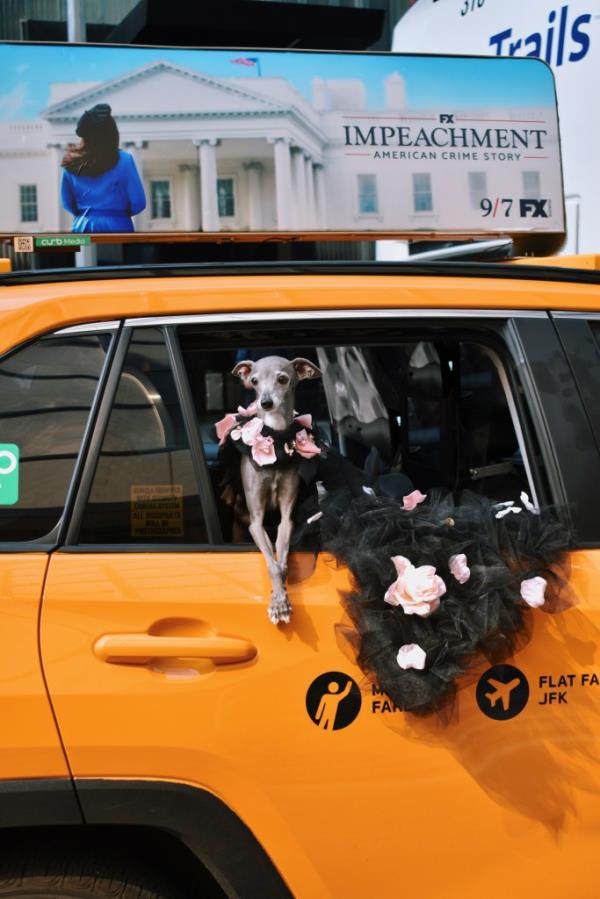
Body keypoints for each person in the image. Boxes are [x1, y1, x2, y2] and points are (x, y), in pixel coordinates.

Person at [60, 103, 146, 233]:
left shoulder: (71, 162)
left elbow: (67, 203)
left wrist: (87, 213)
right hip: (118, 225)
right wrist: (119, 213)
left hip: (83, 226)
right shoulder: (125, 160)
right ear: (112, 133)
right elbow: (138, 202)